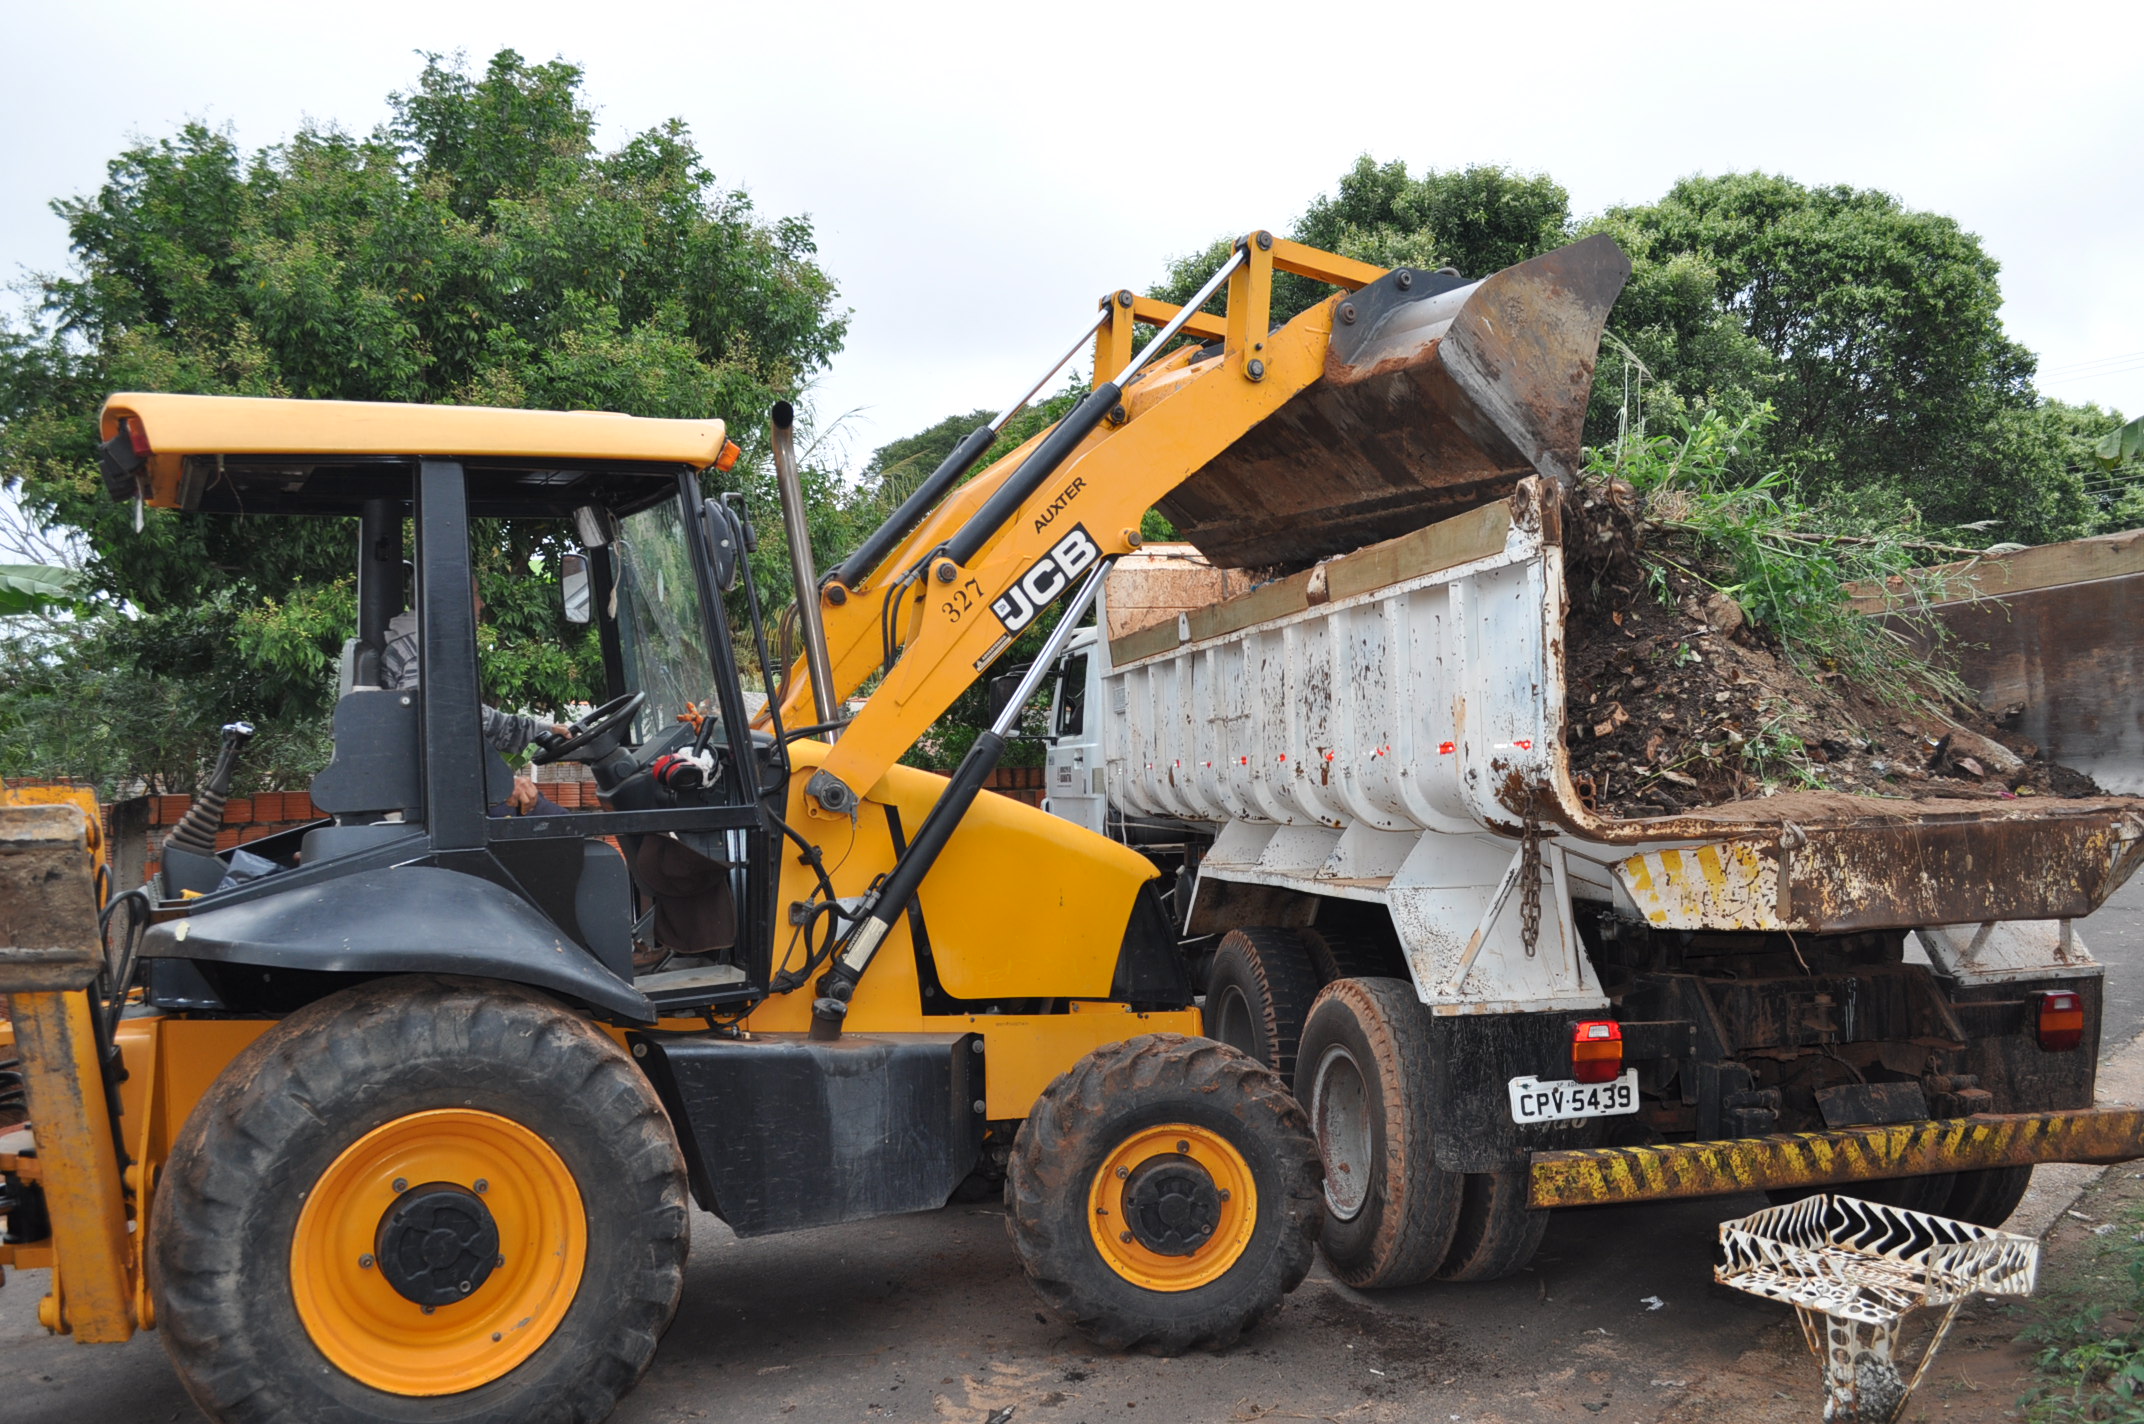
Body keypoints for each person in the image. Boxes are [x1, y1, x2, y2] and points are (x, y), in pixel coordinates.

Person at [378, 578, 573, 816]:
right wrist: (497, 781)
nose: (481, 604)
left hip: (438, 790)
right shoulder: (426, 651)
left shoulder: (425, 643)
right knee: (567, 830)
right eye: (476, 595)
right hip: (437, 802)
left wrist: (541, 730)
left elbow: (469, 718)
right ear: (452, 601)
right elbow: (437, 733)